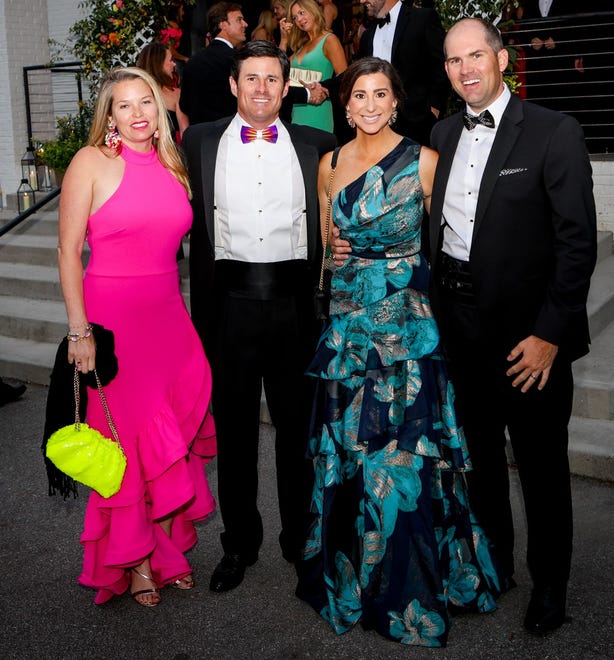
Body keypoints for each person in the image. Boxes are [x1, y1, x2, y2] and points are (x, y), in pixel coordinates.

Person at [297, 56, 501, 647]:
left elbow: (454, 245)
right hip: (347, 334)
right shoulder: (329, 163)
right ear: (345, 102)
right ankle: (353, 578)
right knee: (352, 459)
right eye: (357, 95)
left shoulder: (427, 162)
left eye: (379, 94)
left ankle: (408, 587)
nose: (367, 105)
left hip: (407, 334)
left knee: (404, 463)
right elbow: (326, 256)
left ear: (396, 101)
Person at [427, 18, 597, 634]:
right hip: (460, 329)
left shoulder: (554, 132)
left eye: (477, 55)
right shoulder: (442, 134)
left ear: (502, 58)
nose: (466, 68)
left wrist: (551, 333)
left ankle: (551, 585)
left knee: (543, 467)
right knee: (480, 461)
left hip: (529, 338)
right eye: (454, 60)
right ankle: (493, 564)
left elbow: (576, 245)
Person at [57, 67, 216, 607]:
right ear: (109, 115)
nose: (138, 113)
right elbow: (67, 251)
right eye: (124, 105)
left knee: (170, 436)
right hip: (114, 323)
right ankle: (140, 560)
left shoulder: (174, 164)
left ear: (160, 104)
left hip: (169, 319)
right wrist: (79, 331)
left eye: (145, 101)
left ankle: (169, 547)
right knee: (129, 444)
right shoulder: (91, 163)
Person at [182, 40, 337, 594]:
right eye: (251, 79)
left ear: (285, 85)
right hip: (227, 307)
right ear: (233, 84)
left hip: (296, 307)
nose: (262, 89)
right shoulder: (197, 140)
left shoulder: (318, 145)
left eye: (272, 79)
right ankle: (238, 543)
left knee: (298, 432)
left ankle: (299, 540)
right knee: (236, 432)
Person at [357, 0, 449, 146]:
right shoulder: (368, 34)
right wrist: (320, 88)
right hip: (377, 123)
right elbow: (356, 74)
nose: (362, 1)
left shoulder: (423, 18)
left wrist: (434, 108)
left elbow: (442, 64)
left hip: (417, 123)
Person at [179, 2, 247, 125]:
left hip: (199, 138)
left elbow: (184, 106)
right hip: (229, 137)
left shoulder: (193, 61)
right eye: (239, 20)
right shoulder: (237, 60)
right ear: (223, 25)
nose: (245, 24)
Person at [287, 0, 347, 133]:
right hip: (297, 111)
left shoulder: (329, 39)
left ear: (313, 10)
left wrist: (323, 90)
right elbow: (280, 68)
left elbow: (345, 78)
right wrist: (284, 39)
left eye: (302, 13)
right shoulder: (301, 45)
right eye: (295, 17)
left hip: (319, 110)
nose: (299, 19)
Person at [137, 41, 189, 142]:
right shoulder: (175, 94)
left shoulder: (135, 94)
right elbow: (185, 132)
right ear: (159, 65)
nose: (174, 64)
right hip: (169, 152)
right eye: (171, 60)